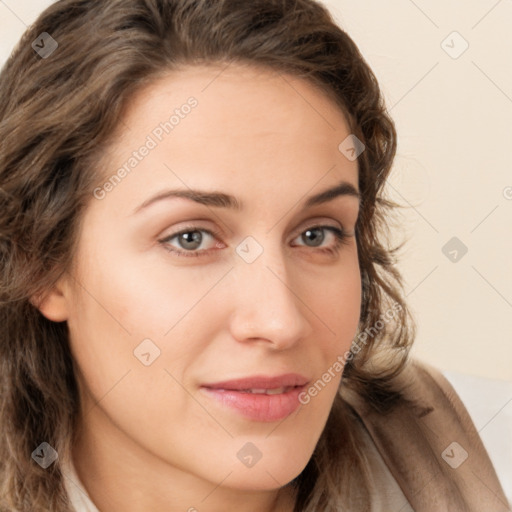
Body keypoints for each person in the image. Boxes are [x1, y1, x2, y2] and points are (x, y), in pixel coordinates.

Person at [0, 0, 509, 511]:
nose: (281, 321)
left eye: (317, 235)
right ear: (42, 264)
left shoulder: (489, 456)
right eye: (191, 238)